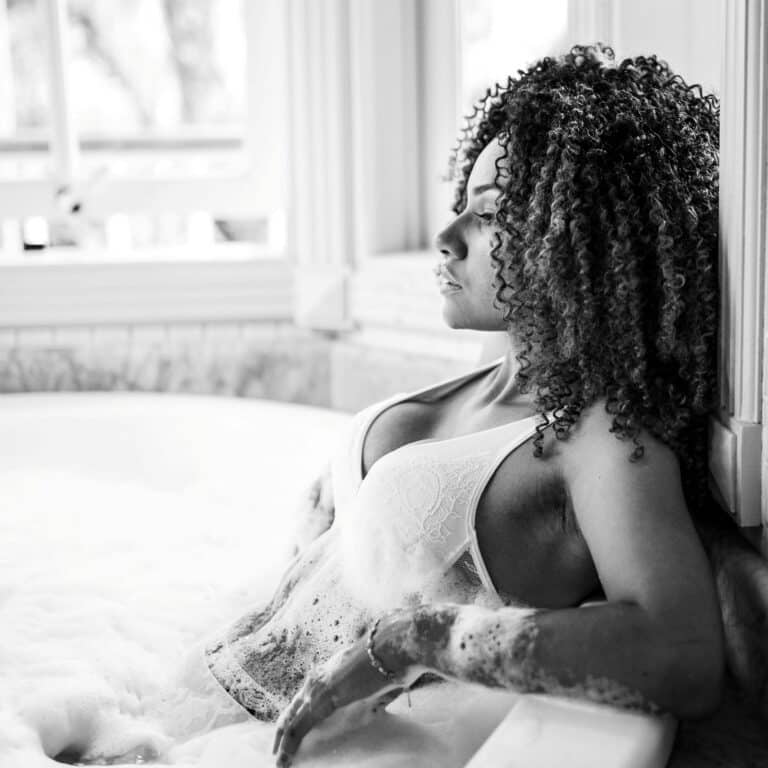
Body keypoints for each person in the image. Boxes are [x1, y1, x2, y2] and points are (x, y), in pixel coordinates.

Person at [205, 44, 725, 767]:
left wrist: (413, 642)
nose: (446, 240)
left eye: (488, 216)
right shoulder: (489, 373)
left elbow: (687, 654)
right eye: (460, 208)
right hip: (192, 720)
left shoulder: (602, 439)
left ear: (579, 234)